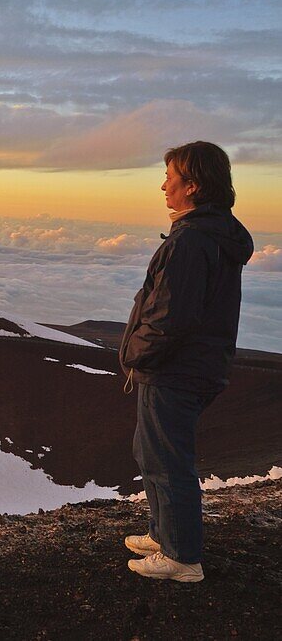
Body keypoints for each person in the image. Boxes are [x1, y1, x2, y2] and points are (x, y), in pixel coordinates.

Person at [118, 141, 253, 582]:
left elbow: (170, 316)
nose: (164, 186)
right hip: (194, 365)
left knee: (167, 460)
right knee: (152, 451)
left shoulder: (192, 241)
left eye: (171, 178)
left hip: (176, 369)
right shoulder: (210, 234)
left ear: (192, 186)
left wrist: (135, 353)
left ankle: (181, 557)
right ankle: (165, 533)